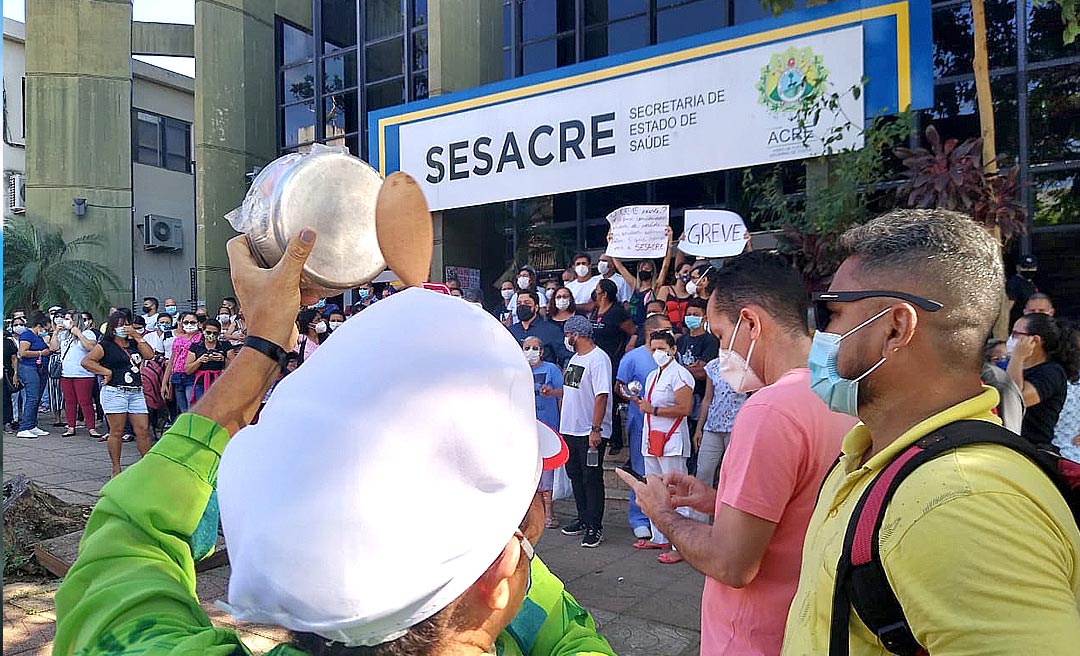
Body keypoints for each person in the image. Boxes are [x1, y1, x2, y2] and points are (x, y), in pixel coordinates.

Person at [54, 229, 615, 656]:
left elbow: (130, 537)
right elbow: (556, 624)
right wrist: (502, 542)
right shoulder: (543, 619)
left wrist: (261, 343)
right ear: (498, 578)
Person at [780, 209, 1080, 655]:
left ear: (895, 329)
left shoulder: (963, 501)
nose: (822, 333)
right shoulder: (873, 454)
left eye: (834, 312)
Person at [618, 251, 855, 656]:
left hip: (751, 635)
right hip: (808, 624)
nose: (721, 350)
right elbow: (798, 510)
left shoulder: (769, 409)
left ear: (751, 323)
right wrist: (718, 501)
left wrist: (662, 514)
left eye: (722, 334)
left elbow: (731, 564)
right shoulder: (839, 394)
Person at [632, 330, 695, 564]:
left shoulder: (681, 375)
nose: (657, 353)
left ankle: (682, 545)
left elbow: (684, 408)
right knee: (654, 488)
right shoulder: (652, 375)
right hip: (652, 438)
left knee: (676, 492)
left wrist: (654, 410)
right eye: (654, 349)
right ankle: (659, 536)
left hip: (672, 439)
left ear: (673, 350)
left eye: (662, 349)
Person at [616, 313, 674, 541]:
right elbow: (620, 386)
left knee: (666, 473)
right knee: (641, 471)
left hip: (669, 424)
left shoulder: (672, 355)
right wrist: (633, 397)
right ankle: (639, 518)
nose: (671, 331)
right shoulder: (633, 357)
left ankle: (664, 518)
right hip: (641, 423)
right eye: (666, 328)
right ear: (651, 332)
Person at [559, 315, 612, 548]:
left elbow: (601, 395)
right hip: (570, 428)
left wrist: (595, 428)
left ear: (576, 335)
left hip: (588, 430)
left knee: (591, 478)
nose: (566, 339)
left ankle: (594, 526)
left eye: (568, 334)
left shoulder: (598, 359)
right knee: (576, 476)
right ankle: (583, 517)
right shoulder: (575, 358)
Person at [81, 312, 156, 477]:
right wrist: (105, 371)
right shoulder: (106, 345)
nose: (124, 328)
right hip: (116, 391)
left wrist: (137, 336)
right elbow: (87, 362)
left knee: (143, 429)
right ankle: (116, 467)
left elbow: (150, 355)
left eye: (126, 324)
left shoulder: (134, 343)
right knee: (117, 430)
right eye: (120, 325)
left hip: (135, 391)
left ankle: (148, 466)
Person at [1007, 312, 1080, 447]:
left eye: (1016, 334)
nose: (1011, 338)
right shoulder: (1017, 368)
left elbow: (1015, 399)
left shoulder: (1052, 372)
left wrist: (1017, 357)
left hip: (1032, 447)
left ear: (1035, 340)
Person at [590, 279, 634, 454]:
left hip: (612, 360)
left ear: (605, 293)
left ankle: (616, 439)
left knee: (610, 398)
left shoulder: (617, 312)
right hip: (595, 360)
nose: (595, 292)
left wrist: (629, 346)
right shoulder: (596, 310)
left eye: (597, 289)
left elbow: (633, 331)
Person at [525, 336, 565, 528]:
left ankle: (549, 513)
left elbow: (563, 393)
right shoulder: (518, 370)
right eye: (527, 348)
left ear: (541, 352)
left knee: (547, 473)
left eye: (535, 348)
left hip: (548, 426)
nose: (530, 352)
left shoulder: (551, 369)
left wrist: (552, 393)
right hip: (525, 428)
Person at [693, 355, 747, 489]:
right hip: (712, 426)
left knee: (733, 472)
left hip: (736, 428)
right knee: (704, 470)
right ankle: (700, 501)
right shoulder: (713, 365)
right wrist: (699, 428)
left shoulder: (746, 365)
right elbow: (707, 398)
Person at [50, 310, 103, 438]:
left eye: (68, 319)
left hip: (83, 374)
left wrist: (78, 333)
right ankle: (71, 427)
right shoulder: (64, 334)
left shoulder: (87, 333)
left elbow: (90, 347)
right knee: (69, 401)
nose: (65, 321)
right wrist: (56, 332)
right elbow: (53, 348)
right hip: (66, 373)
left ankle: (91, 427)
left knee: (85, 402)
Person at [676, 298, 720, 437]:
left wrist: (680, 369)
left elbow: (703, 372)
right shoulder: (681, 340)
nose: (691, 317)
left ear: (704, 318)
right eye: (689, 314)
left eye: (695, 314)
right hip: (681, 395)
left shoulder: (710, 341)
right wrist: (691, 368)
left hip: (700, 395)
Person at [16, 312, 54, 438]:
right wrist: (40, 353)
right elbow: (23, 352)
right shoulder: (27, 335)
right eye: (45, 328)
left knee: (37, 398)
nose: (45, 331)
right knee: (32, 397)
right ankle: (24, 427)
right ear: (39, 326)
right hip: (29, 368)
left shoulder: (39, 337)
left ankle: (32, 425)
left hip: (39, 369)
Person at [509, 290, 569, 366]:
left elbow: (566, 357)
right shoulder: (510, 331)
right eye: (519, 303)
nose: (522, 306)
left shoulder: (551, 330)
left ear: (536, 307)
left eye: (527, 303)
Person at [161, 311, 202, 417]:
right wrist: (165, 382)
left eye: (192, 322)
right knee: (183, 410)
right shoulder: (178, 340)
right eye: (186, 322)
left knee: (192, 408)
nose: (189, 325)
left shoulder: (201, 338)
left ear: (198, 324)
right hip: (177, 377)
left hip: (193, 376)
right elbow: (172, 361)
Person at [185, 319, 234, 403]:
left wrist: (223, 359)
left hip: (220, 381)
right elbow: (188, 370)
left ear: (218, 333)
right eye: (208, 332)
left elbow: (234, 367)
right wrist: (199, 360)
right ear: (203, 331)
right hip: (201, 382)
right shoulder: (196, 346)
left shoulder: (226, 345)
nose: (211, 335)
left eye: (215, 333)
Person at [658, 260, 694, 331]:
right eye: (685, 272)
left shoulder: (692, 294)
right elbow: (659, 310)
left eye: (690, 273)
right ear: (677, 274)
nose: (688, 274)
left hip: (686, 330)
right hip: (668, 328)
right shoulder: (666, 289)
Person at [1005, 253, 1039, 326]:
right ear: (1018, 267)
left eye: (1032, 267)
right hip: (1019, 323)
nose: (1029, 270)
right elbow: (1008, 306)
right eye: (1025, 267)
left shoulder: (1031, 282)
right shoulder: (1014, 283)